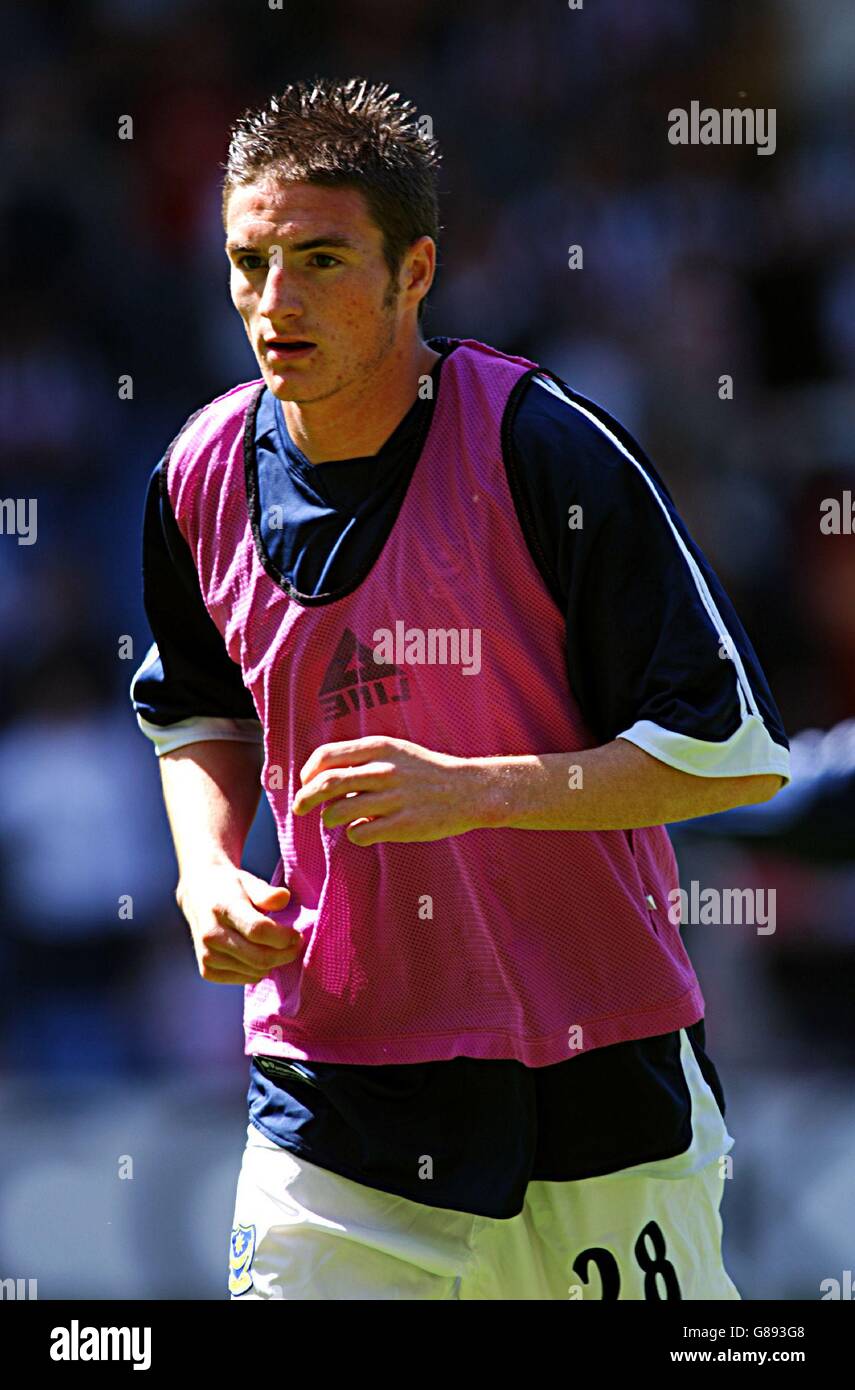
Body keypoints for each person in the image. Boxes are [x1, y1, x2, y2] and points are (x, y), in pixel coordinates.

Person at [130, 77, 790, 1300]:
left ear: (415, 269)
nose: (275, 304)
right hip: (333, 1092)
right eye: (249, 260)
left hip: (593, 1089)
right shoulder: (193, 475)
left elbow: (737, 749)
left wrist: (473, 790)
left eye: (321, 259)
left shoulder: (545, 448)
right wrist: (206, 869)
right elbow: (197, 708)